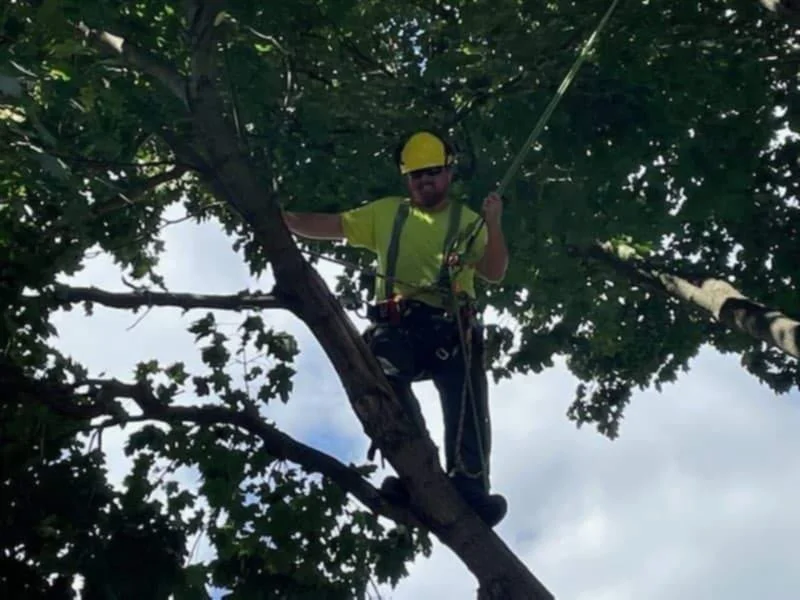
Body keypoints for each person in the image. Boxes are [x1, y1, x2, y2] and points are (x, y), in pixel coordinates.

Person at [283, 130, 509, 527]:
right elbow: (330, 225)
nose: (425, 181)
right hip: (399, 328)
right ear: (407, 179)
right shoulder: (387, 214)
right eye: (417, 174)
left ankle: (469, 486)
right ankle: (417, 471)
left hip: (453, 331)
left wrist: (493, 223)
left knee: (467, 405)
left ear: (449, 173)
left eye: (433, 172)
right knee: (384, 374)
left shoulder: (468, 222)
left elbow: (494, 271)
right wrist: (281, 220)